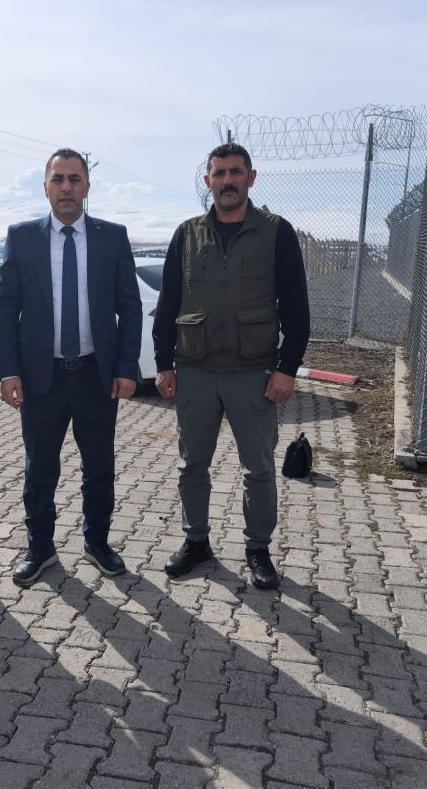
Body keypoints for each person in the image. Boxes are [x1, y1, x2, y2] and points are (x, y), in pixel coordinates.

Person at [152, 143, 310, 590]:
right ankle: (195, 541)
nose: (227, 181)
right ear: (208, 181)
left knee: (258, 469)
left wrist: (287, 369)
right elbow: (168, 303)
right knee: (191, 465)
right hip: (196, 370)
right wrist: (164, 364)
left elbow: (296, 308)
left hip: (253, 373)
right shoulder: (187, 235)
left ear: (251, 178)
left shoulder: (276, 232)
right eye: (219, 173)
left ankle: (258, 549)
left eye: (236, 172)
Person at [0, 148, 143, 587]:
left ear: (87, 187)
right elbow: (6, 308)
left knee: (99, 466)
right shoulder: (22, 237)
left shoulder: (111, 237)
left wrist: (127, 367)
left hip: (97, 375)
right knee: (40, 469)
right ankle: (40, 547)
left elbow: (129, 307)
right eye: (58, 179)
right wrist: (8, 370)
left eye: (74, 179)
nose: (66, 187)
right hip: (41, 378)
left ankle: (97, 541)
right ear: (45, 187)